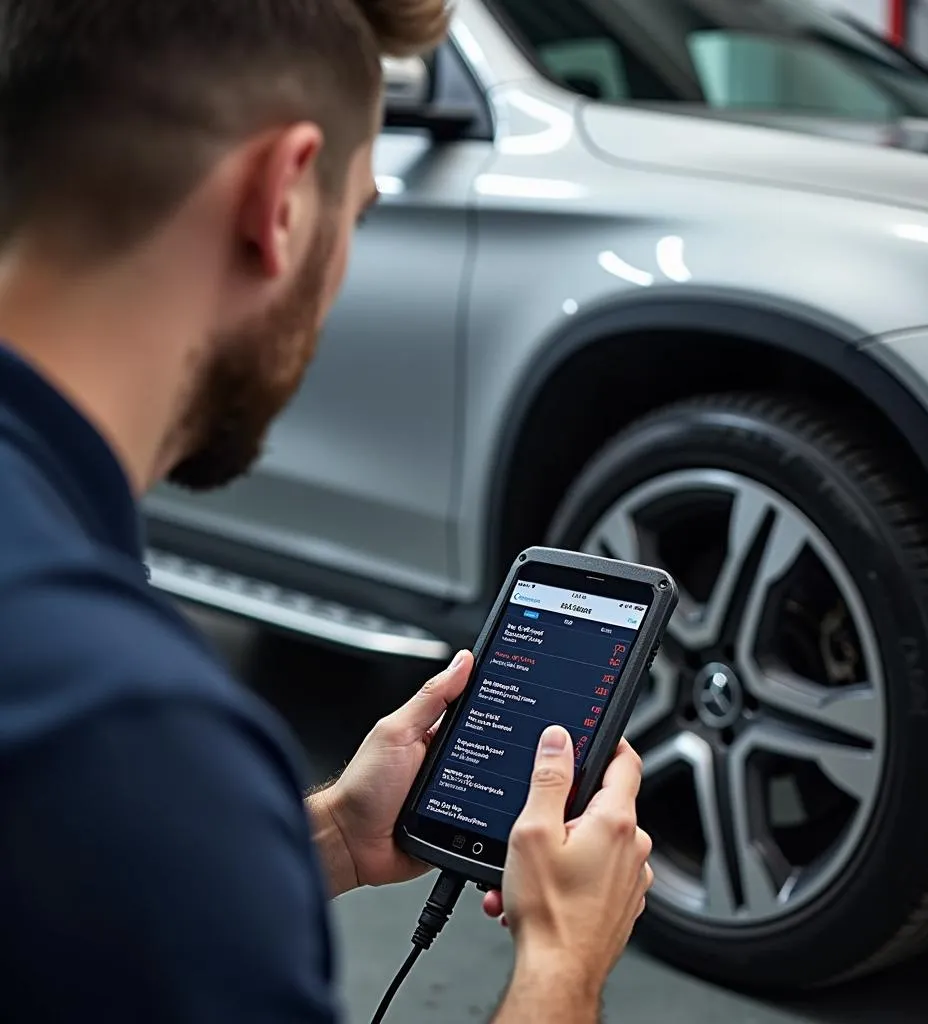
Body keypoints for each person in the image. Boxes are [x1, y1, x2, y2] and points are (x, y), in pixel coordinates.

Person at [0, 1, 654, 1021]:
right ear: (282, 197)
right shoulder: (124, 725)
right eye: (356, 216)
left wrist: (336, 839)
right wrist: (562, 961)